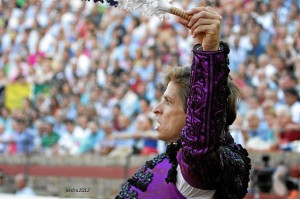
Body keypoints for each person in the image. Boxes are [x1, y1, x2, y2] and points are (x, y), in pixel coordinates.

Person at [115, 6, 251, 199]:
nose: (156, 109)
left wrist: (210, 52)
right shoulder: (175, 159)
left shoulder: (198, 167)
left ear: (194, 114)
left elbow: (202, 134)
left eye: (168, 101)